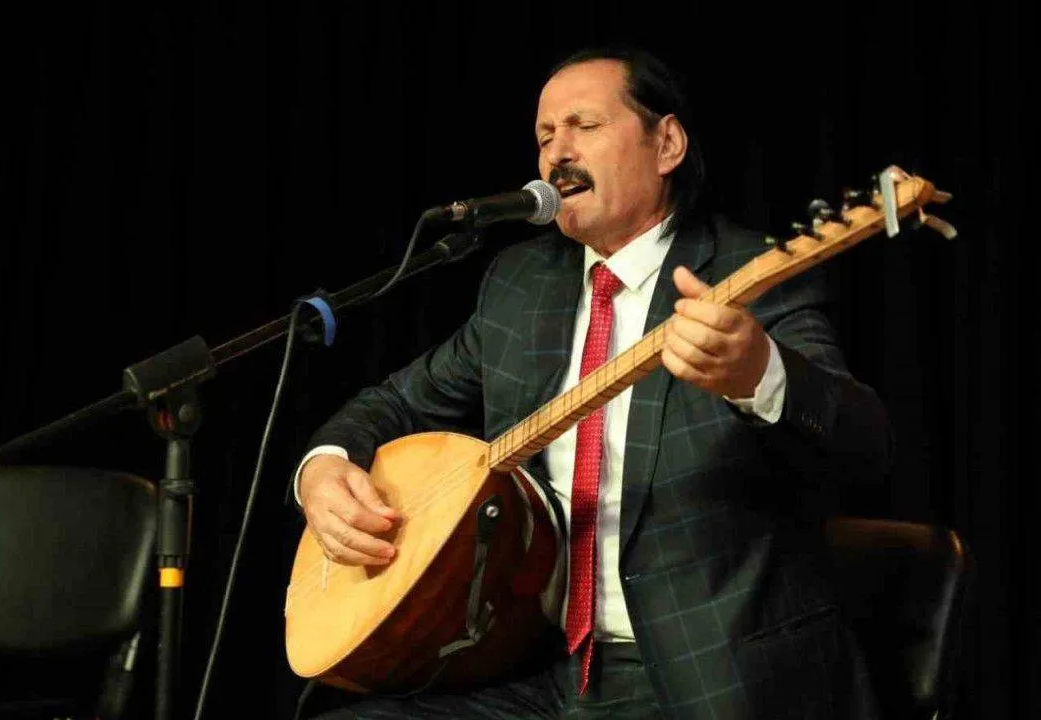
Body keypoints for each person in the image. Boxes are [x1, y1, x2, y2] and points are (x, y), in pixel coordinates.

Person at [292, 46, 891, 719]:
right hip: (535, 664)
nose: (558, 153)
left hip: (706, 676)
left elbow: (864, 447)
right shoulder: (522, 284)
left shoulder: (753, 271)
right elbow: (394, 403)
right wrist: (324, 468)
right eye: (545, 135)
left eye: (585, 126)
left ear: (666, 145)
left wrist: (760, 374)